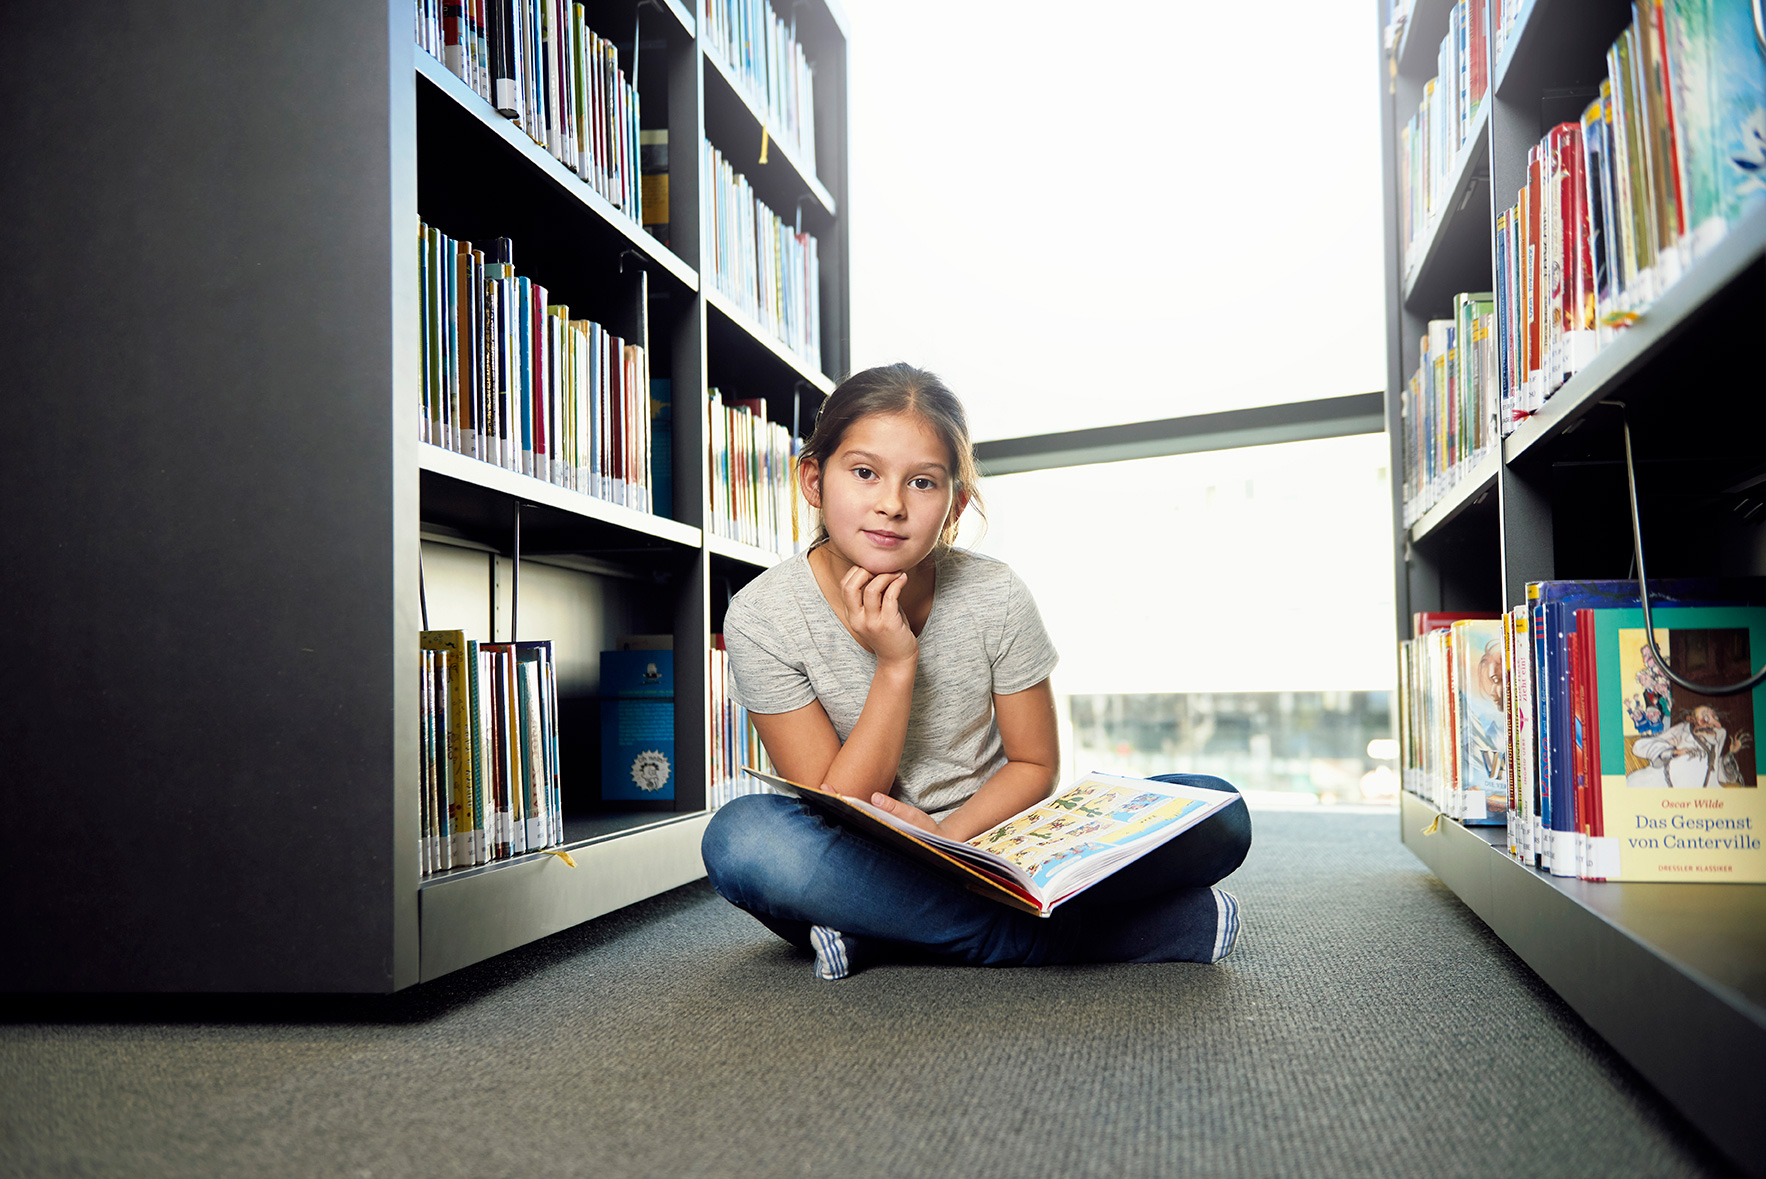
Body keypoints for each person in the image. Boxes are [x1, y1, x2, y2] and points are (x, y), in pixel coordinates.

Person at [700, 363, 1253, 979]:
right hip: (858, 852)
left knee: (1217, 808)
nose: (890, 505)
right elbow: (838, 805)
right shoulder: (761, 616)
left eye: (923, 483)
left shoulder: (995, 594)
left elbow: (1035, 765)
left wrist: (950, 840)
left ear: (955, 504)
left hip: (996, 842)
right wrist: (895, 664)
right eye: (864, 473)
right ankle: (1045, 938)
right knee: (743, 840)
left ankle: (883, 932)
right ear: (813, 479)